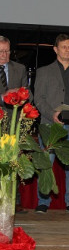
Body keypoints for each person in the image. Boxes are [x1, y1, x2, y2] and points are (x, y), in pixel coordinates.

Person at [34, 34, 69, 214]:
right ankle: (43, 202)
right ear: (55, 49)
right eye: (64, 47)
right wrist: (53, 114)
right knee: (46, 165)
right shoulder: (44, 71)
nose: (68, 50)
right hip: (51, 126)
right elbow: (39, 99)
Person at [0, 35, 33, 214]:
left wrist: (19, 96)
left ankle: (14, 200)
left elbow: (29, 95)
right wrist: (5, 96)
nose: (4, 55)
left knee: (14, 162)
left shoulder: (19, 69)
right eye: (1, 52)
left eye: (7, 51)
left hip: (14, 123)